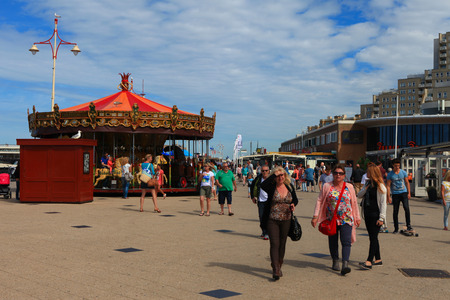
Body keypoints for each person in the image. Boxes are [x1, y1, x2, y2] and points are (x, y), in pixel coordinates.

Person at [311, 164, 361, 276]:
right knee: (333, 241)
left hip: (346, 218)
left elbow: (354, 203)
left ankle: (345, 264)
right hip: (331, 219)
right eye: (336, 173)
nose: (338, 175)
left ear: (344, 175)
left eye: (340, 173)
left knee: (346, 241)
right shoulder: (327, 186)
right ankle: (335, 261)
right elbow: (319, 200)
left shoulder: (350, 187)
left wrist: (357, 217)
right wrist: (315, 216)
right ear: (333, 174)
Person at [260, 166, 298, 280]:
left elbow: (295, 199)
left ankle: (279, 263)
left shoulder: (289, 186)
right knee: (274, 244)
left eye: (282, 175)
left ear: (285, 176)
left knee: (282, 243)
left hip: (286, 219)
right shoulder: (271, 187)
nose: (280, 177)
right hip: (272, 219)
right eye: (278, 176)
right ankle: (276, 269)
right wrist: (274, 174)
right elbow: (262, 185)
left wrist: (293, 204)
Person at [357, 164, 387, 269]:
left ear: (373, 173)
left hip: (376, 215)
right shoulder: (367, 184)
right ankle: (378, 259)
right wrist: (366, 188)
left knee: (373, 238)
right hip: (368, 213)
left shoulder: (380, 186)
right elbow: (359, 195)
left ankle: (369, 261)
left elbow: (383, 204)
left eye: (368, 172)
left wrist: (381, 218)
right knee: (372, 237)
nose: (366, 173)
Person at [386, 159, 412, 233]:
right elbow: (388, 186)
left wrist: (409, 193)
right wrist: (388, 196)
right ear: (393, 165)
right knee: (395, 210)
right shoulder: (390, 174)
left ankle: (408, 225)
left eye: (398, 165)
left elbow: (407, 183)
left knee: (406, 208)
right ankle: (396, 228)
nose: (397, 167)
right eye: (395, 166)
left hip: (403, 193)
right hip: (395, 194)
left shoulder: (403, 172)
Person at [250, 165, 271, 240]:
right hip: (261, 201)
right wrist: (252, 196)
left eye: (266, 170)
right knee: (261, 217)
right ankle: (264, 231)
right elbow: (252, 186)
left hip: (270, 201)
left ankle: (266, 233)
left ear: (269, 171)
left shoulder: (272, 179)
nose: (264, 172)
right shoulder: (258, 178)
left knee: (268, 218)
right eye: (263, 171)